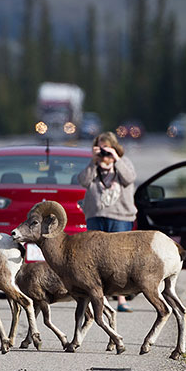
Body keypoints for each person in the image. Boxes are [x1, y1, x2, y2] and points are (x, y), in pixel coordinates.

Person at [78, 131, 137, 312]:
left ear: (114, 147)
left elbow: (129, 178)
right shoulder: (94, 167)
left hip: (120, 216)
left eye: (106, 148)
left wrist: (116, 158)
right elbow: (83, 181)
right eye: (100, 148)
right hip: (96, 215)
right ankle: (100, 298)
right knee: (96, 259)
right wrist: (93, 161)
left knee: (119, 259)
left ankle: (121, 298)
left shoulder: (123, 162)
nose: (104, 153)